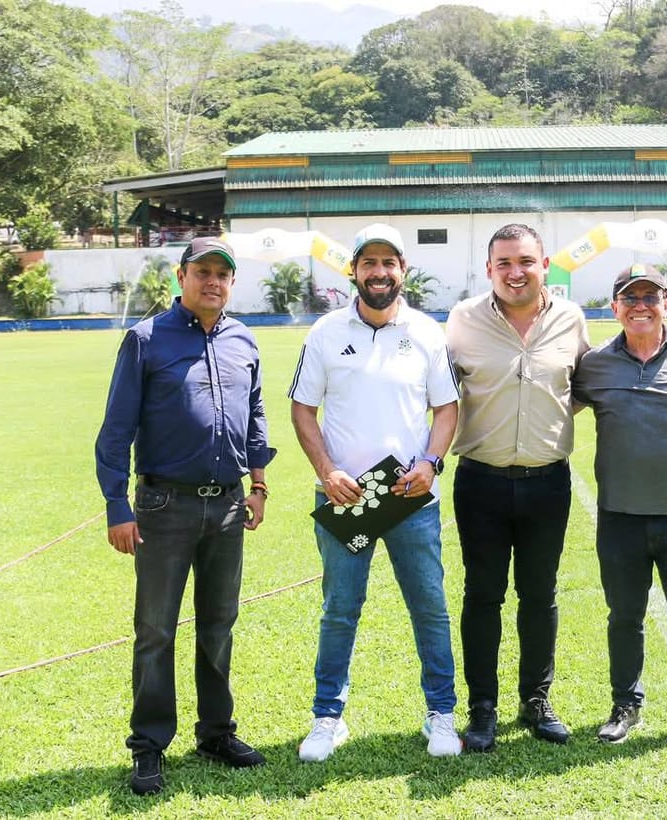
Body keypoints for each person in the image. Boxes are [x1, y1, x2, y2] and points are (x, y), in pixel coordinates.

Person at [95, 237, 274, 795]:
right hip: (162, 508)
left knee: (219, 625)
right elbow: (115, 430)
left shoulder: (244, 339)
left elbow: (256, 415)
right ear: (181, 276)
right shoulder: (145, 340)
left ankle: (216, 732)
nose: (212, 281)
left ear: (231, 281)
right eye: (202, 272)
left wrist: (260, 483)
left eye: (223, 273)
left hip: (226, 506)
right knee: (155, 632)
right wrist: (117, 507)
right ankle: (149, 747)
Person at [288, 223, 462, 761]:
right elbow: (302, 407)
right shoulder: (324, 332)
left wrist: (432, 463)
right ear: (354, 271)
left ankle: (441, 713)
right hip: (346, 495)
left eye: (389, 263)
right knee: (341, 608)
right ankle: (327, 718)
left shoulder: (428, 333)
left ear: (403, 271)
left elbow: (446, 407)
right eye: (369, 263)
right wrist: (326, 469)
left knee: (429, 607)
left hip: (409, 495)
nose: (379, 272)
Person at [571, 262, 667, 753]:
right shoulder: (595, 363)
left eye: (650, 297)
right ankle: (625, 705)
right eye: (630, 298)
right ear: (614, 307)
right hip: (619, 518)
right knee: (624, 616)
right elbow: (557, 407)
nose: (640, 306)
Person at [445, 223, 590, 752]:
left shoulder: (572, 320)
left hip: (547, 482)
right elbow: (440, 392)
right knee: (482, 596)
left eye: (525, 261)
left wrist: (542, 425)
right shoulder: (462, 320)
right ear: (489, 269)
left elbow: (579, 388)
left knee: (539, 594)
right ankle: (482, 707)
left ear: (544, 264)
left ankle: (536, 699)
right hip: (480, 481)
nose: (515, 272)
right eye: (504, 263)